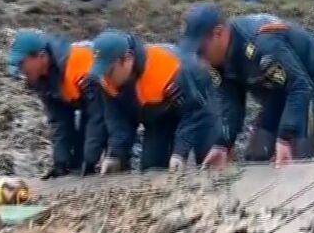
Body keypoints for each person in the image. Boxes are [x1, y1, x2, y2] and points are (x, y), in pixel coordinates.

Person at [180, 2, 314, 166]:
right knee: (258, 156)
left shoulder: (262, 42)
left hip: (313, 81)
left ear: (218, 33)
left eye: (201, 50)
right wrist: (222, 144)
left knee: (294, 155)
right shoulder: (218, 60)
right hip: (278, 89)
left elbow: (300, 86)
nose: (200, 59)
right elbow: (231, 104)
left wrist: (285, 138)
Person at [88, 29, 229, 173]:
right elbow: (117, 121)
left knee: (209, 163)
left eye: (109, 71)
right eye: (102, 72)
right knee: (151, 169)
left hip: (200, 106)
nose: (105, 78)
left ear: (128, 58)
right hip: (159, 116)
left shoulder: (167, 68)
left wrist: (180, 152)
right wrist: (115, 155)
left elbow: (195, 112)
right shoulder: (107, 81)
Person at [8, 29, 107, 178]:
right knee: (75, 166)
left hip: (119, 103)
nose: (20, 70)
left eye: (22, 64)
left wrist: (90, 160)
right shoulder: (40, 78)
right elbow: (59, 120)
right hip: (88, 105)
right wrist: (60, 163)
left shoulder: (78, 64)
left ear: (41, 56)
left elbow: (98, 115)